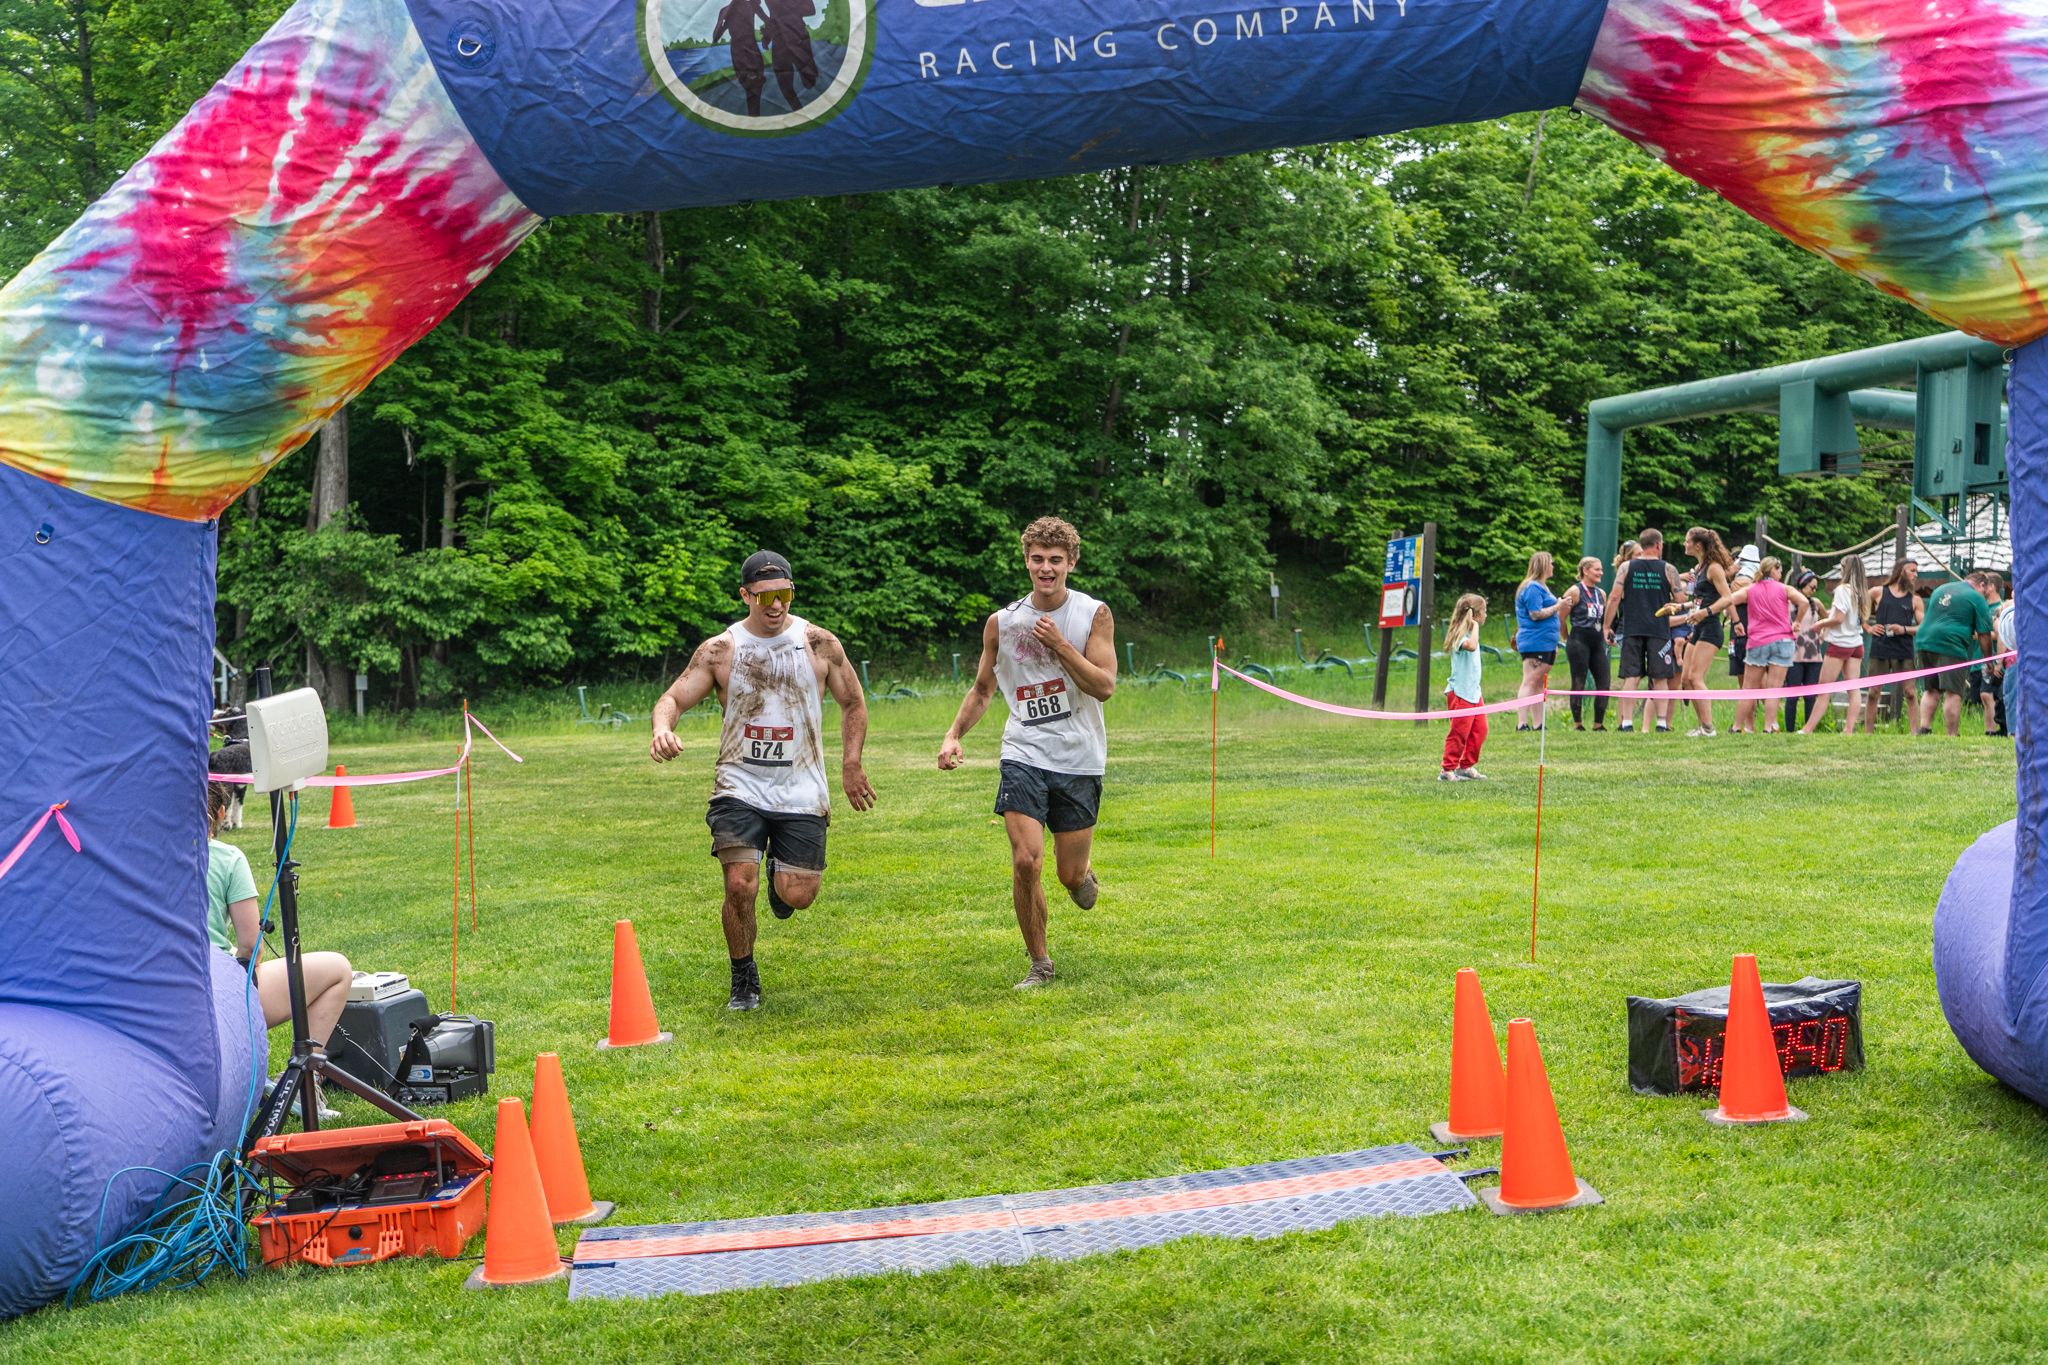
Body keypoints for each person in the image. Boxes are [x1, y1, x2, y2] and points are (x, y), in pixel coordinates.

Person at [649, 551, 876, 1011]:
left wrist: (851, 763)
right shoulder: (721, 650)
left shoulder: (818, 644)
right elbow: (672, 698)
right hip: (740, 784)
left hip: (801, 785)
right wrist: (661, 728)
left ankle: (779, 875)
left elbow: (853, 702)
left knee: (800, 895)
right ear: (745, 595)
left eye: (784, 595)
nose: (776, 606)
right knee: (739, 884)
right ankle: (743, 977)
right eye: (765, 596)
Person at [939, 518, 1116, 989]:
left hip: (1078, 756)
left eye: (1055, 559)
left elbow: (1104, 686)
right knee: (1025, 861)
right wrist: (954, 734)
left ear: (1071, 562)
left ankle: (1080, 875)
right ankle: (1040, 963)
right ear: (1026, 562)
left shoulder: (1093, 614)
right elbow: (982, 689)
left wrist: (1060, 645)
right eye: (1037, 559)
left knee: (1069, 875)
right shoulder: (1003, 622)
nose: (1046, 568)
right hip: (1024, 751)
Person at [206, 782, 351, 1116]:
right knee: (338, 970)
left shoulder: (144, 859)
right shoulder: (227, 858)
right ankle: (302, 1085)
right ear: (221, 814)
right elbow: (250, 944)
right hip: (218, 992)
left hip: (162, 989)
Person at [1703, 556, 1812, 734]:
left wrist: (1709, 612)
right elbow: (1804, 602)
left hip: (1758, 641)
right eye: (1780, 570)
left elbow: (1728, 600)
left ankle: (1737, 727)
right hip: (1783, 640)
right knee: (1774, 688)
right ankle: (1769, 727)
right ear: (1774, 569)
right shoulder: (1784, 588)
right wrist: (1797, 622)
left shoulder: (1750, 589)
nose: (1781, 573)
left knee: (1748, 688)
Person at [1601, 527, 1682, 733]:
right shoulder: (1669, 569)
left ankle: (1627, 723)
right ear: (1658, 545)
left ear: (1642, 545)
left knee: (1632, 676)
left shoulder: (1626, 567)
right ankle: (1661, 723)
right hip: (1659, 629)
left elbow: (1614, 597)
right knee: (1660, 677)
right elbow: (1680, 599)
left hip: (1632, 628)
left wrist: (1607, 626)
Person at [1915, 569, 1997, 737]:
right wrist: (1989, 661)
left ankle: (1924, 728)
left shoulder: (1941, 588)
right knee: (1953, 692)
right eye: (1985, 591)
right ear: (1982, 585)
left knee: (1931, 689)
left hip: (1924, 641)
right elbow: (1984, 634)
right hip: (1951, 645)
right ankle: (1951, 734)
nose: (1985, 595)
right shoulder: (1976, 597)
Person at [1675, 528, 1738, 737]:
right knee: (1686, 679)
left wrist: (1706, 612)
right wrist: (1679, 607)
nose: (1684, 544)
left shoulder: (1714, 568)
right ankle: (1702, 726)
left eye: (1687, 541)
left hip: (1711, 627)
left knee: (1696, 677)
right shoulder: (1699, 568)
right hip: (1698, 627)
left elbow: (1727, 598)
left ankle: (1709, 728)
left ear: (1698, 545)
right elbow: (1700, 600)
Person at [1798, 555, 1868, 733]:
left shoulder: (1842, 589)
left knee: (1824, 688)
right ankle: (1848, 729)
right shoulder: (1861, 591)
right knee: (1853, 688)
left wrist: (1820, 624)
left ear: (1846, 570)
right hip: (1856, 643)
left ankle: (1808, 729)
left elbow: (1839, 618)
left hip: (1840, 643)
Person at [1862, 558, 1923, 731]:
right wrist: (1868, 627)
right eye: (1912, 571)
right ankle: (1867, 733)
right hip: (1880, 648)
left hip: (1904, 650)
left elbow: (1923, 627)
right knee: (1873, 692)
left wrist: (1903, 629)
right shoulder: (1877, 592)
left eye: (1916, 571)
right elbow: (1860, 611)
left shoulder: (1915, 600)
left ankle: (1915, 733)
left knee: (1910, 693)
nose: (1916, 575)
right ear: (1901, 571)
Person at [1440, 593, 1490, 780]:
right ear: (1475, 615)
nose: (1486, 615)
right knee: (1459, 733)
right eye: (1484, 611)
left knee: (1480, 730)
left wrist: (1474, 627)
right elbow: (1471, 646)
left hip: (1474, 693)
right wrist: (1475, 626)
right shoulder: (1459, 635)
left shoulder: (1470, 634)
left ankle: (1466, 766)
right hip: (1460, 693)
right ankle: (1447, 770)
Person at [1558, 556, 1610, 731]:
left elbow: (1604, 619)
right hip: (1579, 639)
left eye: (1601, 569)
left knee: (1604, 682)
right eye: (1597, 569)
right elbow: (1560, 617)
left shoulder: (1601, 593)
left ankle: (1598, 724)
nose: (1601, 573)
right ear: (1585, 570)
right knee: (1579, 681)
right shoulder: (1575, 591)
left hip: (1597, 641)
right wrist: (1566, 638)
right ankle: (1578, 723)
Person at [1513, 552, 1562, 731]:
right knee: (1530, 680)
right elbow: (1535, 614)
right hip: (1535, 642)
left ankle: (1538, 723)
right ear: (1542, 566)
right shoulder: (1532, 587)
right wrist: (1558, 606)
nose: (1553, 566)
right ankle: (1522, 723)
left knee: (1539, 683)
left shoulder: (1542, 587)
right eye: (1550, 563)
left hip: (1546, 642)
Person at [1781, 567, 1825, 731]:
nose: (1814, 591)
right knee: (1792, 695)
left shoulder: (1816, 603)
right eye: (1811, 587)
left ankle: (1808, 729)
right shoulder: (1788, 604)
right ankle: (1789, 730)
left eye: (1816, 588)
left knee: (1810, 696)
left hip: (1813, 654)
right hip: (1794, 653)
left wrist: (1823, 632)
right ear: (1802, 585)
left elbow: (1828, 619)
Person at [711, 0, 769, 116]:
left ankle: (754, 119)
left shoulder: (752, 4)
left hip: (752, 53)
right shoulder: (725, 10)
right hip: (738, 55)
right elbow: (716, 37)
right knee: (749, 92)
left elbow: (769, 22)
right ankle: (753, 119)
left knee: (755, 92)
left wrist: (766, 37)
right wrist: (723, 18)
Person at [1997, 581, 2019, 739]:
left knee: (2013, 698)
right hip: (2014, 660)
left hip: (2016, 661)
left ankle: (2014, 731)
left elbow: (2004, 638)